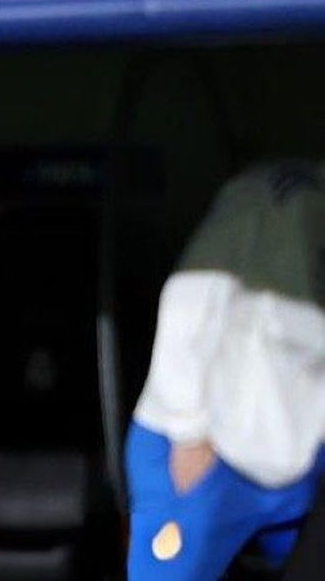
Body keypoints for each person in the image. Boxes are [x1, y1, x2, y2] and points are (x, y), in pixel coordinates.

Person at [125, 161, 325, 580]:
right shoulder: (276, 197)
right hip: (205, 457)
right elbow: (189, 298)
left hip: (291, 462)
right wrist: (189, 435)